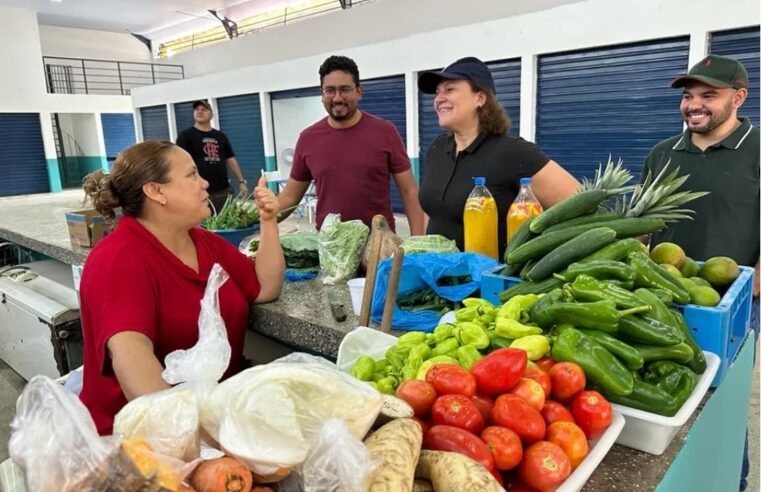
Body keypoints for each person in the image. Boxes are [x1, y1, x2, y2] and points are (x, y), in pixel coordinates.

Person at [78, 140, 285, 435]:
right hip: (143, 439)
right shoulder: (118, 260)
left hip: (213, 420)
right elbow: (133, 362)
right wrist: (197, 439)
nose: (204, 184)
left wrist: (269, 222)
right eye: (191, 175)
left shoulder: (203, 242)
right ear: (156, 191)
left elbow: (265, 287)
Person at [641, 54, 759, 492]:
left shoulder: (757, 150)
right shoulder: (661, 153)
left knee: (720, 400)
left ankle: (734, 481)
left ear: (738, 98)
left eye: (709, 95)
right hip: (664, 295)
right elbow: (645, 229)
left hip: (732, 303)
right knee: (666, 390)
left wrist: (747, 293)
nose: (694, 105)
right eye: (689, 96)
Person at [417, 56, 579, 257]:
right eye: (437, 93)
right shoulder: (437, 148)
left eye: (449, 90)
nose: (438, 99)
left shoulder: (512, 153)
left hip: (489, 282)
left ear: (480, 98)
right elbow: (432, 211)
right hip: (435, 280)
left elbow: (577, 203)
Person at [277, 55, 425, 234]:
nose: (337, 98)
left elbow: (409, 191)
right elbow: (290, 197)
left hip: (379, 246)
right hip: (330, 248)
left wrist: (418, 243)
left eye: (345, 89)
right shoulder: (308, 138)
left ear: (359, 92)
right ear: (322, 93)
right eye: (330, 90)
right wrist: (259, 216)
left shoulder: (385, 132)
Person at [176, 100, 249, 214]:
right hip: (200, 191)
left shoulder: (220, 136)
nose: (199, 112)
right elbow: (179, 163)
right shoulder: (185, 136)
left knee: (226, 224)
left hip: (223, 191)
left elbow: (230, 159)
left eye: (204, 109)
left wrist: (241, 182)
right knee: (204, 227)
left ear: (211, 114)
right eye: (197, 110)